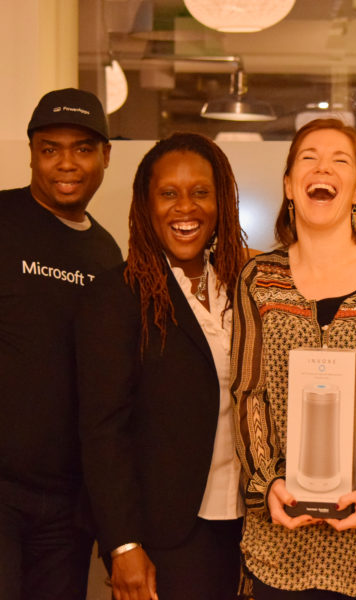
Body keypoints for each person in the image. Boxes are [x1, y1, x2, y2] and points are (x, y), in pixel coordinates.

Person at [231, 118, 356, 600]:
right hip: (281, 531)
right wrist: (268, 483)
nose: (323, 167)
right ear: (288, 185)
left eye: (339, 160)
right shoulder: (259, 278)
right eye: (308, 158)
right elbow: (248, 391)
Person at [77, 132, 250, 600]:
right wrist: (123, 543)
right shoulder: (117, 297)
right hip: (168, 535)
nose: (185, 208)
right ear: (146, 205)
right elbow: (102, 432)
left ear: (221, 203)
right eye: (168, 194)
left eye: (200, 192)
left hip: (251, 526)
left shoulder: (245, 290)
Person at [0, 88, 122, 599]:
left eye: (82, 149)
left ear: (105, 158)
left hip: (68, 505)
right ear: (31, 153)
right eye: (50, 149)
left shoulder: (107, 253)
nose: (66, 164)